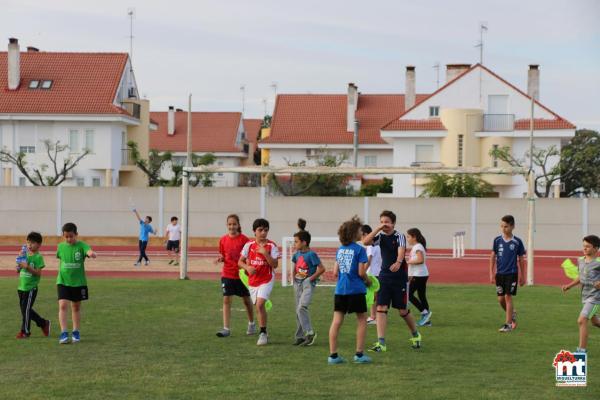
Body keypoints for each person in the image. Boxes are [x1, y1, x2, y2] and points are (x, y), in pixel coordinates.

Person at [363, 210, 422, 352]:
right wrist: (377, 229)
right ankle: (381, 343)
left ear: (393, 223)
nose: (385, 225)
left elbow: (401, 250)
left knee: (402, 311)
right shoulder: (380, 237)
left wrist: (398, 261)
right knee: (381, 308)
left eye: (387, 222)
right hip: (384, 277)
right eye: (382, 222)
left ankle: (416, 335)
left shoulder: (399, 236)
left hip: (399, 277)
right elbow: (365, 242)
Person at [328, 216, 372, 365]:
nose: (362, 232)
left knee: (336, 322)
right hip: (356, 290)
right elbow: (361, 272)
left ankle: (333, 356)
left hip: (340, 290)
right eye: (360, 230)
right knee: (361, 320)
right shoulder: (360, 250)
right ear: (355, 233)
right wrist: (368, 281)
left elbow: (335, 272)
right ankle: (359, 355)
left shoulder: (340, 250)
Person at [239, 218, 279, 346]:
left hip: (267, 279)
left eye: (265, 230)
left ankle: (262, 333)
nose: (263, 233)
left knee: (260, 304)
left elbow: (275, 264)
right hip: (253, 281)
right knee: (258, 307)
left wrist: (265, 254)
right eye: (260, 230)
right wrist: (247, 268)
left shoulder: (271, 246)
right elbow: (240, 262)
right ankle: (263, 331)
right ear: (254, 231)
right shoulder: (249, 245)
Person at [215, 214, 256, 338]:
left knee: (246, 300)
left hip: (241, 275)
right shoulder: (222, 240)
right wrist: (221, 258)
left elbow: (249, 256)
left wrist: (247, 267)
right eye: (229, 224)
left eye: (234, 224)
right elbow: (223, 254)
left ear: (238, 225)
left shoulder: (245, 240)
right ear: (227, 225)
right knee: (226, 299)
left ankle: (251, 323)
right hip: (227, 274)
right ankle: (226, 328)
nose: (232, 226)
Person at [56, 222, 96, 344]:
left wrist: (91, 253)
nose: (68, 239)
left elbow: (88, 251)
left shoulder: (82, 245)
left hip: (78, 282)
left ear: (76, 235)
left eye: (71, 236)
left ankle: (76, 331)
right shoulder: (60, 247)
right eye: (66, 237)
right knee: (62, 305)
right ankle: (63, 333)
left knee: (76, 307)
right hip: (62, 281)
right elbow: (61, 259)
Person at [562, 235, 600, 353]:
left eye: (588, 246)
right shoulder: (580, 260)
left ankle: (581, 351)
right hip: (585, 296)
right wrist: (569, 286)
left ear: (596, 248)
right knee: (595, 322)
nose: (585, 248)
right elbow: (581, 276)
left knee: (582, 320)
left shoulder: (599, 262)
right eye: (584, 246)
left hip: (596, 297)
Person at [489, 215, 526, 333]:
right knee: (500, 299)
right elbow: (492, 257)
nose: (503, 228)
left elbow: (521, 259)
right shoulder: (497, 240)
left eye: (506, 226)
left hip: (512, 273)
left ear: (512, 226)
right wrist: (491, 272)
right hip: (500, 273)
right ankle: (512, 314)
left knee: (508, 296)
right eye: (502, 226)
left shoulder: (517, 242)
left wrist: (523, 275)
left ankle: (508, 324)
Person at [292, 228, 325, 346]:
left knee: (302, 307)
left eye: (296, 241)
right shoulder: (297, 254)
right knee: (298, 311)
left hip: (307, 285)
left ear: (304, 242)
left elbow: (322, 269)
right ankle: (300, 336)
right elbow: (295, 266)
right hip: (297, 284)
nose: (294, 244)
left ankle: (310, 333)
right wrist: (294, 280)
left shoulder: (312, 254)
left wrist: (309, 279)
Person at [15, 232, 51, 339]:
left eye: (32, 243)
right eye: (28, 242)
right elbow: (18, 269)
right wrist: (19, 263)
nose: (29, 245)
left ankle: (25, 331)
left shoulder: (38, 257)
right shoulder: (24, 254)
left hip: (30, 288)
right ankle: (43, 323)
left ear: (39, 244)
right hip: (21, 286)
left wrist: (27, 267)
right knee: (25, 310)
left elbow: (38, 273)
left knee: (26, 310)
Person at [406, 228, 432, 327]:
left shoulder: (417, 247)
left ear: (414, 237)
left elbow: (420, 260)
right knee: (421, 296)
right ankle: (427, 321)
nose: (407, 239)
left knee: (408, 295)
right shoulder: (418, 246)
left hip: (419, 275)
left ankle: (425, 313)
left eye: (408, 236)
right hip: (421, 274)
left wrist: (407, 262)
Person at [361, 224, 381, 325]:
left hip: (372, 274)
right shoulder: (376, 245)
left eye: (361, 235)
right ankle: (375, 316)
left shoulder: (370, 245)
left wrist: (362, 272)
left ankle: (373, 317)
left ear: (365, 234)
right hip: (376, 273)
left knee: (371, 296)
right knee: (374, 296)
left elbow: (368, 261)